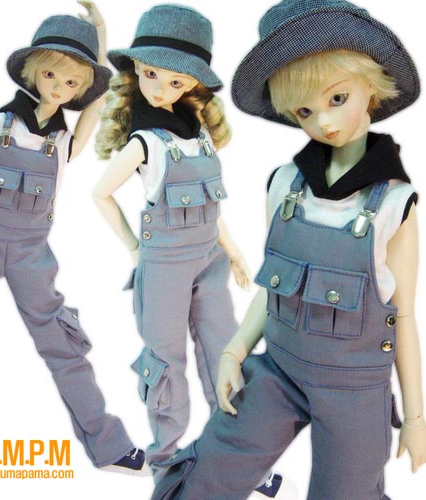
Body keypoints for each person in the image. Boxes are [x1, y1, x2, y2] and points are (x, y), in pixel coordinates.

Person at [151, 1, 426, 499]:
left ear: (372, 86)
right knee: (205, 473)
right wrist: (235, 349)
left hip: (354, 389)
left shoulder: (395, 205)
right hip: (277, 369)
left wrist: (416, 417)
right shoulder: (284, 185)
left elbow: (403, 315)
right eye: (304, 111)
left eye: (338, 97)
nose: (325, 122)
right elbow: (272, 281)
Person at [0, 4, 148, 500]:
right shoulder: (4, 121)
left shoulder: (67, 139)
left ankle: (109, 446)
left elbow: (103, 90)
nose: (60, 87)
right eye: (51, 75)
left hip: (31, 249)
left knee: (61, 342)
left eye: (72, 82)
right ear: (33, 71)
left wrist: (99, 26)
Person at [94, 4, 294, 498]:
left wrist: (236, 252)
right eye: (151, 75)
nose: (161, 90)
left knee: (225, 352)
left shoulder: (199, 135)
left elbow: (212, 206)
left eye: (175, 82)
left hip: (211, 261)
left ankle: (239, 459)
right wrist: (135, 248)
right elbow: (100, 194)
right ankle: (166, 462)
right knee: (165, 365)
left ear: (193, 85)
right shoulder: (144, 142)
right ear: (136, 70)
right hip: (163, 265)